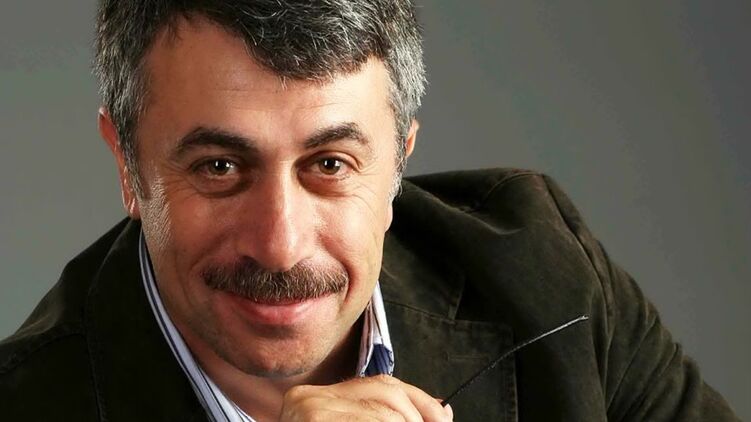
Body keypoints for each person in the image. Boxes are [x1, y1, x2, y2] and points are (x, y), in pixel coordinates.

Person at [0, 1, 740, 420]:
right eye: (219, 167)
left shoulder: (544, 269)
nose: (282, 245)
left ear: (397, 165)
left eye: (330, 165)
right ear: (129, 167)